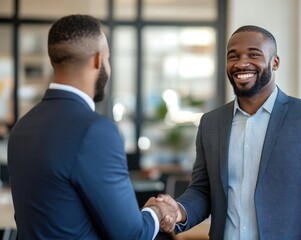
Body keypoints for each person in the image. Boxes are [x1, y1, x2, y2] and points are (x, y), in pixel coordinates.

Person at [157, 25, 301, 239]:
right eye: (233, 57)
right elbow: (203, 191)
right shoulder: (210, 123)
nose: (241, 63)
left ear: (275, 62)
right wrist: (179, 211)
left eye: (253, 54)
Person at [7, 14, 176, 239]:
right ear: (98, 60)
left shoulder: (21, 128)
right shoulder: (96, 132)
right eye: (108, 58)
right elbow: (131, 234)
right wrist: (156, 211)